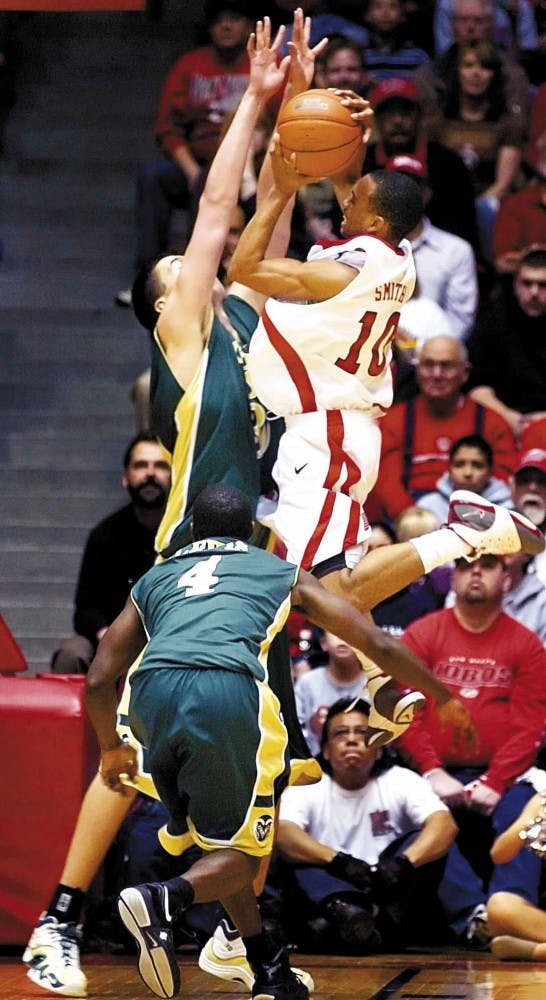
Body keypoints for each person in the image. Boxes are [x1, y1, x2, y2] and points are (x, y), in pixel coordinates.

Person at [83, 483, 469, 999]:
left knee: (217, 842)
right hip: (224, 692)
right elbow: (372, 641)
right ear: (254, 532)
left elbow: (96, 678)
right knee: (244, 855)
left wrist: (111, 747)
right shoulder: (278, 569)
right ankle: (164, 900)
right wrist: (440, 694)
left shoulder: (157, 576)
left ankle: (266, 965)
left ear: (194, 530)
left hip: (148, 697)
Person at [399, 553, 546, 946]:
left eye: (488, 564)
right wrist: (432, 771)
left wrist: (497, 780)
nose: (475, 572)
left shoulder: (526, 643)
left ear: (507, 578)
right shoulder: (421, 634)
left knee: (529, 810)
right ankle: (477, 917)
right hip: (432, 773)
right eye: (464, 564)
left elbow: (530, 724)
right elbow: (405, 716)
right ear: (451, 577)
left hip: (505, 776)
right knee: (422, 810)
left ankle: (513, 907)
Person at [270, 697, 456, 953]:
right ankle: (349, 914)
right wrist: (339, 862)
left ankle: (352, 926)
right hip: (329, 887)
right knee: (292, 855)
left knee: (427, 841)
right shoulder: (308, 784)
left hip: (387, 887)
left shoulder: (400, 779)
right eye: (340, 733)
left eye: (363, 733)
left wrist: (402, 863)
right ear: (325, 749)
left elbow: (444, 825)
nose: (351, 740)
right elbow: (284, 834)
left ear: (379, 748)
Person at [115, 0, 255, 306]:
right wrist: (191, 171)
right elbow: (167, 128)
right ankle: (149, 281)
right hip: (197, 160)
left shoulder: (258, 62)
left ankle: (204, 280)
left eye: (234, 18)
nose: (227, 27)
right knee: (154, 178)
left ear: (249, 25)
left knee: (209, 182)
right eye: (220, 21)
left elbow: (274, 122)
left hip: (249, 164)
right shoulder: (191, 64)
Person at [50, 432, 171, 674]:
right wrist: (106, 635)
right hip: (111, 642)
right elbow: (84, 611)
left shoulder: (185, 532)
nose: (150, 473)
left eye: (160, 466)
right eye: (140, 465)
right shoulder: (104, 536)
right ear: (125, 477)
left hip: (172, 640)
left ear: (173, 477)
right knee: (71, 654)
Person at [370, 335, 517, 522]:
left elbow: (503, 480)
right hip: (412, 516)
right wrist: (413, 520)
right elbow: (386, 482)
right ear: (416, 371)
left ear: (464, 373)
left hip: (476, 515)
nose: (437, 374)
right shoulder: (393, 421)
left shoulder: (492, 422)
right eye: (428, 365)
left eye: (446, 366)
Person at [435, 41, 524, 265]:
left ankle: (488, 268)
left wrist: (471, 207)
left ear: (494, 75)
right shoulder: (439, 123)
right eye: (468, 65)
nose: (476, 73)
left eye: (484, 67)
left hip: (486, 205)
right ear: (457, 72)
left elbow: (502, 185)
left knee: (487, 208)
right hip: (447, 204)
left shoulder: (507, 124)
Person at [363, 76, 478, 249]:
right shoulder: (362, 163)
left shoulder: (449, 164)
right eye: (389, 112)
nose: (397, 120)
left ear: (419, 114)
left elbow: (463, 225)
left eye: (405, 111)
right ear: (376, 118)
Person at [385, 152, 478, 341]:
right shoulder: (364, 249)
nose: (403, 196)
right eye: (393, 187)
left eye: (411, 187)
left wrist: (424, 354)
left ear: (426, 193)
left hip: (434, 358)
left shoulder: (456, 251)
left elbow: (460, 321)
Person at [466, 248, 546, 440]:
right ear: (515, 284)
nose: (533, 292)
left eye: (543, 285)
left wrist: (540, 422)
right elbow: (474, 382)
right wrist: (508, 417)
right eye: (527, 284)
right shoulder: (494, 317)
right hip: (501, 417)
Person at [487, 783, 546, 960]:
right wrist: (529, 823)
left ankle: (536, 952)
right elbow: (499, 854)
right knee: (501, 905)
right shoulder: (542, 799)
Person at [294, 633, 369, 756]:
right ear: (323, 643)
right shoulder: (307, 683)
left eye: (350, 632)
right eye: (335, 632)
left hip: (368, 768)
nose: (342, 639)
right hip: (314, 764)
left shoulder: (377, 684)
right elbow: (293, 730)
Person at [417, 433, 513, 525]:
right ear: (449, 469)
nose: (468, 473)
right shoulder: (427, 507)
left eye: (477, 465)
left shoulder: (508, 511)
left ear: (490, 472)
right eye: (459, 465)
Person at [362, 0, 430, 81]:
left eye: (393, 6)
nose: (385, 13)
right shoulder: (360, 55)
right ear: (368, 15)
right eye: (378, 6)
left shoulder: (417, 56)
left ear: (402, 16)